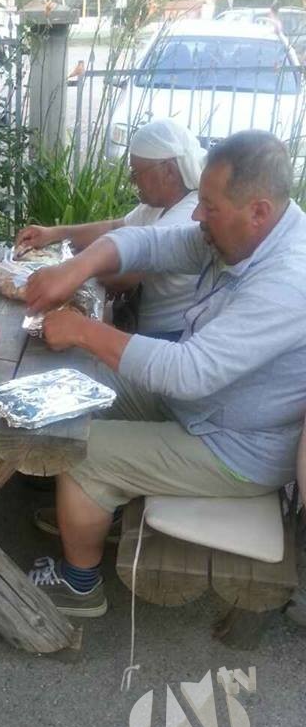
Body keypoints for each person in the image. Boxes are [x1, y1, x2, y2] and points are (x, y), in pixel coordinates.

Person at [24, 130, 306, 618]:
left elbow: (188, 373)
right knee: (81, 388)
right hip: (203, 407)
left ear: (258, 211)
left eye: (209, 207)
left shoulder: (288, 281)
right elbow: (149, 243)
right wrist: (76, 269)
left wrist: (85, 330)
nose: (197, 216)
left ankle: (79, 586)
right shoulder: (246, 233)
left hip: (235, 446)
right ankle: (93, 509)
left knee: (82, 453)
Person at [17, 118, 205, 341]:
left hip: (171, 338)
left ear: (169, 171)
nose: (131, 180)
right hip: (142, 324)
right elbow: (114, 227)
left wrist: (70, 271)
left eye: (136, 173)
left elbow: (124, 276)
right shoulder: (157, 204)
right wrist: (52, 233)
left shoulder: (187, 214)